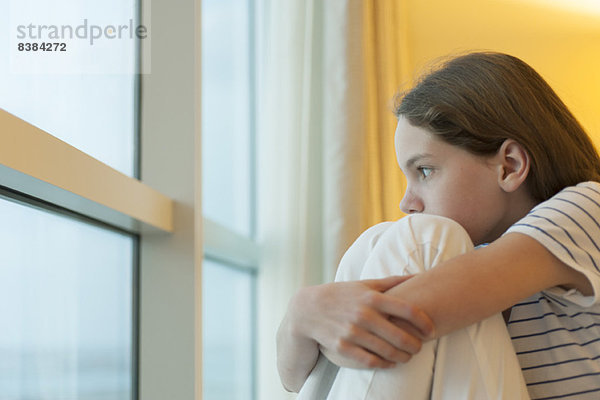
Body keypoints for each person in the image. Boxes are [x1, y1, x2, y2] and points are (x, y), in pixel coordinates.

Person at [277, 52, 600, 399]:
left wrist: (309, 318)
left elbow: (382, 329)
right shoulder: (475, 255)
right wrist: (301, 314)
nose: (407, 202)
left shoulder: (587, 209)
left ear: (509, 165)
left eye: (425, 171)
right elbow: (296, 380)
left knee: (423, 238)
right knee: (377, 240)